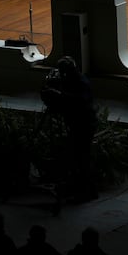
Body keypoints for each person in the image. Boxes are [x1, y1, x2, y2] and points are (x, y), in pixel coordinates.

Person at [41, 53, 98, 201]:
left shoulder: (80, 82)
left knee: (82, 158)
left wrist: (59, 95)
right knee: (79, 157)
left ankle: (87, 191)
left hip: (84, 124)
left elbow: (79, 102)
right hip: (77, 123)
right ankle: (79, 188)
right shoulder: (72, 80)